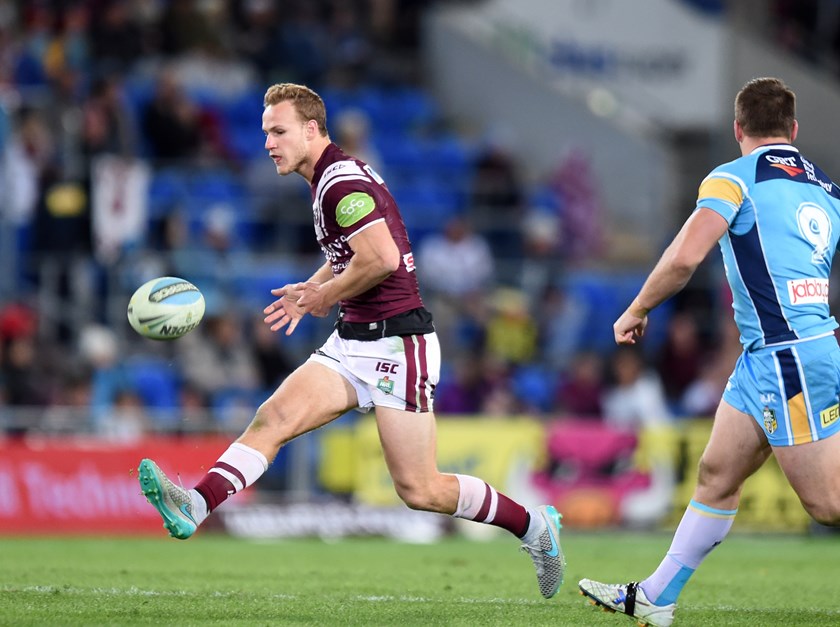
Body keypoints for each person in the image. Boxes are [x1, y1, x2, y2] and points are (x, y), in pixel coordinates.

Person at [137, 82, 564, 599]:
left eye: (278, 131)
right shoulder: (331, 179)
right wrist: (316, 288)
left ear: (312, 130)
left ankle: (534, 526)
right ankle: (196, 506)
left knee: (420, 489)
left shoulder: (338, 185)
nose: (268, 143)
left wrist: (323, 297)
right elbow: (352, 253)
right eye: (265, 132)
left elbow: (381, 259)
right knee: (272, 418)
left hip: (397, 344)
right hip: (353, 340)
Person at [579, 77, 840, 626]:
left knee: (827, 504)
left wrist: (637, 308)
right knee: (717, 474)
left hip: (785, 356)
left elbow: (683, 258)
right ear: (793, 130)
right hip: (773, 354)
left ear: (737, 128)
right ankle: (656, 597)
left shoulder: (732, 178)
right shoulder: (826, 189)